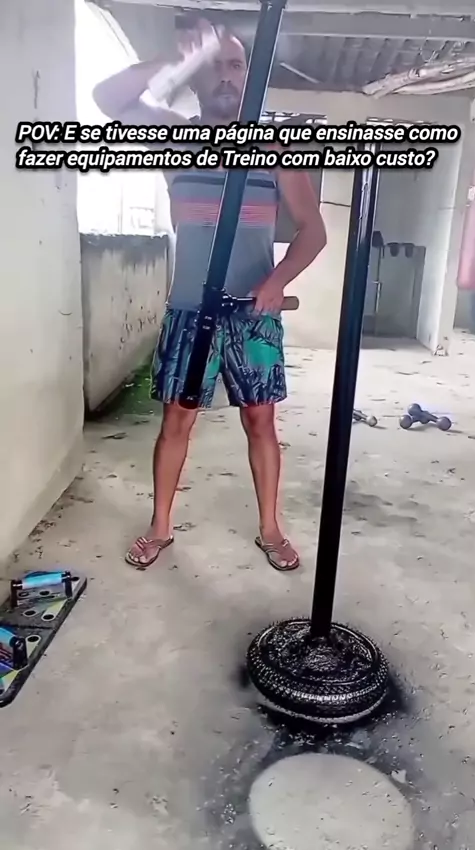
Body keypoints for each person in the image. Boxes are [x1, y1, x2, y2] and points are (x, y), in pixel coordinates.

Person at [93, 20, 327, 572]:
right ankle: (160, 527)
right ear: (197, 79)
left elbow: (313, 230)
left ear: (250, 77)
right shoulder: (174, 139)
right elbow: (108, 98)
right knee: (177, 421)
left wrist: (277, 281)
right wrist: (179, 60)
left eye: (235, 65)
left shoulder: (276, 149)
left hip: (253, 319)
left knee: (261, 421)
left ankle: (270, 528)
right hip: (189, 314)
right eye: (214, 66)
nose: (225, 76)